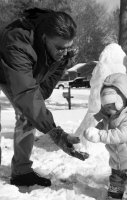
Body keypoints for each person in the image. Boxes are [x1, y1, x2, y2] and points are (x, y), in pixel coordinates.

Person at [0, 7, 89, 187]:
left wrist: (61, 62)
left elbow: (42, 91)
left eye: (68, 47)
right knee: (28, 110)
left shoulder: (57, 46)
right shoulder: (17, 42)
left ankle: (21, 172)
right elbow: (26, 93)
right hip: (6, 68)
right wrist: (55, 133)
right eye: (60, 48)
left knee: (29, 117)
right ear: (43, 38)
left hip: (19, 73)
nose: (64, 52)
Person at [84, 73, 127, 200]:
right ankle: (114, 196)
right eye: (106, 107)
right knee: (115, 182)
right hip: (117, 161)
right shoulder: (109, 118)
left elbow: (123, 134)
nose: (109, 109)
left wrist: (99, 136)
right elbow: (102, 129)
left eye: (112, 105)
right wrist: (94, 131)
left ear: (122, 100)